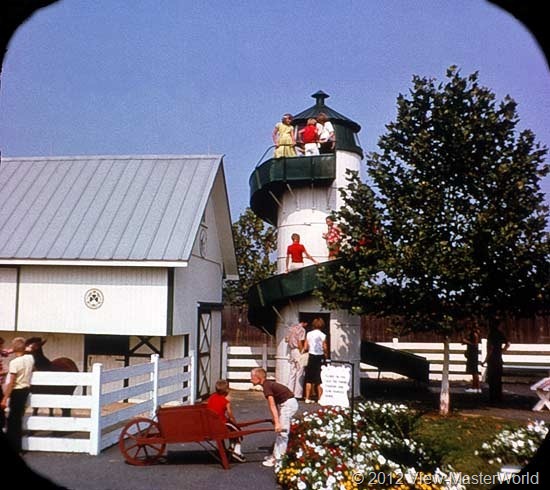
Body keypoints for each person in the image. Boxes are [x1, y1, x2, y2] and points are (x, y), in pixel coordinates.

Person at [250, 367, 298, 468]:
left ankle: (279, 460)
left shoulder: (267, 386)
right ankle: (275, 456)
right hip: (286, 404)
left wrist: (277, 422)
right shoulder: (267, 384)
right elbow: (275, 404)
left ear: (258, 377)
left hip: (288, 405)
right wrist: (276, 419)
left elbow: (272, 405)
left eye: (252, 377)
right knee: (280, 431)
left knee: (283, 432)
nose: (250, 379)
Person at [1, 337, 35, 454]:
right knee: (18, 419)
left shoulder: (14, 363)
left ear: (14, 348)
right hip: (25, 390)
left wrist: (5, 398)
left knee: (12, 421)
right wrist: (15, 349)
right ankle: (18, 447)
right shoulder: (30, 358)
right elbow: (29, 350)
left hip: (16, 391)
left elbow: (11, 382)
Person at [207, 379, 246, 462]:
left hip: (211, 424)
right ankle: (237, 451)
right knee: (237, 432)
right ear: (227, 390)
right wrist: (234, 423)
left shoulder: (211, 398)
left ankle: (231, 447)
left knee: (232, 429)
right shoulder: (225, 401)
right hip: (221, 423)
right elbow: (230, 414)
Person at [482, 323, 510, 404]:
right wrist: (501, 351)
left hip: (492, 360)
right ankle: (499, 397)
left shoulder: (491, 335)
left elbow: (490, 349)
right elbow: (508, 343)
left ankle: (492, 397)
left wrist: (485, 360)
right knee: (498, 379)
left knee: (492, 379)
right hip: (498, 358)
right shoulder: (500, 334)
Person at [303, 317, 328, 404]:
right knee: (319, 378)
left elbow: (305, 347)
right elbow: (324, 347)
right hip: (319, 357)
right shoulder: (323, 335)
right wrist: (326, 355)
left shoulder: (309, 334)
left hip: (311, 356)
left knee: (309, 378)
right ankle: (320, 398)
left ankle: (307, 398)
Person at [285, 321, 307, 399]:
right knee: (300, 372)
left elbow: (286, 339)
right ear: (305, 322)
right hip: (298, 350)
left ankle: (289, 391)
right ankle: (298, 394)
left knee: (292, 372)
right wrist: (302, 352)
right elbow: (300, 341)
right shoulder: (302, 330)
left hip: (292, 350)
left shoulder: (291, 328)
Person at [462, 322, 481, 393]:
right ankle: (474, 387)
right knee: (473, 371)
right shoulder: (470, 334)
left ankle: (477, 387)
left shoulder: (475, 334)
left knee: (474, 371)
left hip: (474, 354)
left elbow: (475, 345)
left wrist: (466, 341)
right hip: (470, 354)